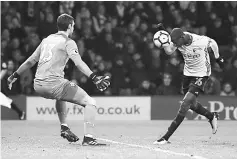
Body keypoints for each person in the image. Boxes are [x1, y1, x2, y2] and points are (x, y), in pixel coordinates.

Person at [7, 14, 110, 146]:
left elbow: (30, 61)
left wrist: (13, 76)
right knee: (91, 102)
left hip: (38, 85)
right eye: (73, 26)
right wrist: (94, 77)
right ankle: (89, 138)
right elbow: (78, 63)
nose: (73, 28)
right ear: (69, 26)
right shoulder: (69, 42)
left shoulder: (46, 40)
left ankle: (64, 127)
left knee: (60, 96)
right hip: (53, 85)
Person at [153, 24, 225, 144]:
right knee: (191, 104)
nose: (175, 46)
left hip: (202, 74)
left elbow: (213, 43)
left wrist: (217, 57)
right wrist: (165, 43)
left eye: (176, 43)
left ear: (182, 37)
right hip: (188, 74)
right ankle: (211, 116)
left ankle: (165, 137)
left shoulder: (200, 41)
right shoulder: (178, 42)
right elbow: (170, 51)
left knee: (185, 103)